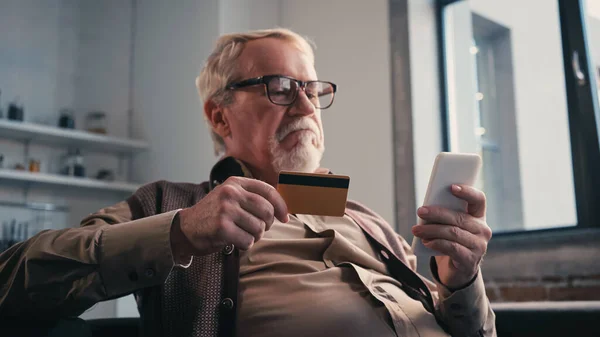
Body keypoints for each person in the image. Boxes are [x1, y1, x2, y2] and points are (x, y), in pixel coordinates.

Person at [0, 28, 495, 337]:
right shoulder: (170, 203)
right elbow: (13, 279)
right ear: (220, 116)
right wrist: (179, 231)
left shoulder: (367, 220)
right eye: (280, 88)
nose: (305, 107)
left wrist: (460, 280)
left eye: (313, 89)